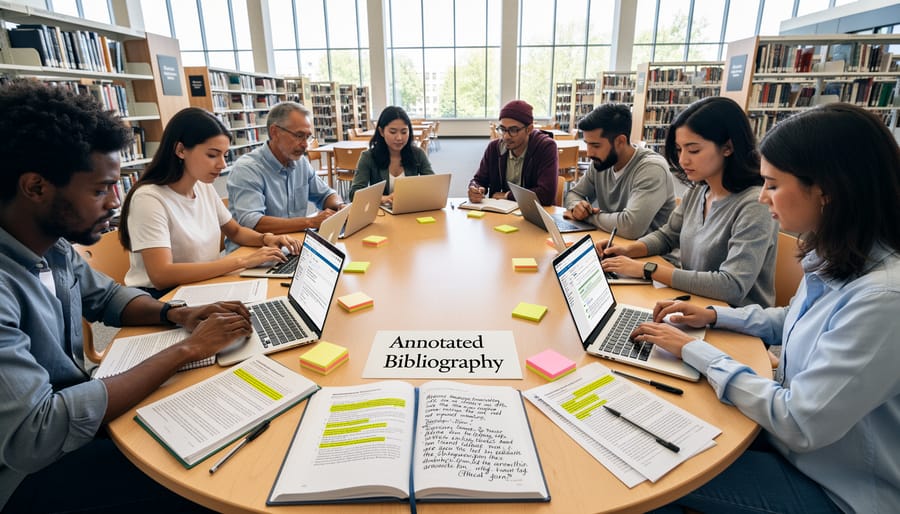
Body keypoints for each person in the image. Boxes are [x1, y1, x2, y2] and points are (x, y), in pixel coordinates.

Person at [0, 80, 251, 513]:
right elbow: (34, 436)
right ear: (36, 187)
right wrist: (187, 349)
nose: (116, 202)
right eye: (100, 190)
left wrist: (179, 314)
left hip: (74, 413)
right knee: (207, 476)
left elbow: (111, 298)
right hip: (25, 476)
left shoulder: (53, 246)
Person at [641, 103, 900, 513]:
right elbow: (793, 319)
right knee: (655, 421)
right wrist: (713, 316)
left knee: (654, 480)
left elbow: (797, 422)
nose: (762, 197)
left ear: (828, 190)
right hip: (798, 448)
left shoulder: (884, 299)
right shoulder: (844, 257)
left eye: (773, 184)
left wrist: (696, 350)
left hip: (835, 488)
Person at [599, 96, 777, 307]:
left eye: (693, 150)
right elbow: (667, 236)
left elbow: (732, 286)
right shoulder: (699, 190)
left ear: (728, 147)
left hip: (737, 323)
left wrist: (647, 269)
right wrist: (628, 250)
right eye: (679, 149)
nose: (683, 160)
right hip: (695, 306)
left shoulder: (755, 205)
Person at [119, 108, 301, 298]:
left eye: (224, 155)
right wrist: (243, 262)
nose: (222, 164)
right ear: (180, 150)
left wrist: (266, 239)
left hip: (202, 285)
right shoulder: (148, 199)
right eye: (213, 155)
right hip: (163, 296)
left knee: (274, 298)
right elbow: (161, 275)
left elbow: (236, 231)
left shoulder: (202, 186)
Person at [227, 101, 345, 249]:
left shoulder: (300, 163)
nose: (305, 144)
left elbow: (326, 195)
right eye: (299, 135)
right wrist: (310, 222)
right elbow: (253, 222)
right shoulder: (248, 169)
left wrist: (339, 206)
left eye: (307, 137)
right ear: (275, 132)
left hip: (292, 246)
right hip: (255, 252)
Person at [564, 103, 675, 239]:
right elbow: (574, 193)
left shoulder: (652, 169)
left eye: (596, 145)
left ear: (620, 141)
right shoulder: (601, 162)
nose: (589, 153)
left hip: (650, 256)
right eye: (587, 144)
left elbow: (630, 227)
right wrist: (577, 207)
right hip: (612, 244)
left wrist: (587, 217)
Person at [467, 99, 558, 206]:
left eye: (513, 130)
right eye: (503, 129)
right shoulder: (494, 148)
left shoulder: (545, 147)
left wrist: (507, 196)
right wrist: (475, 188)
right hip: (501, 214)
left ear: (529, 129)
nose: (506, 136)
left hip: (534, 213)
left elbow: (546, 194)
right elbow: (479, 180)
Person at [349, 106, 434, 204]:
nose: (399, 138)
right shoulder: (368, 157)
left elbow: (432, 186)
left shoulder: (417, 154)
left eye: (404, 132)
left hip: (411, 210)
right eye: (393, 132)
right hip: (381, 214)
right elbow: (354, 194)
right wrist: (384, 199)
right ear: (381, 132)